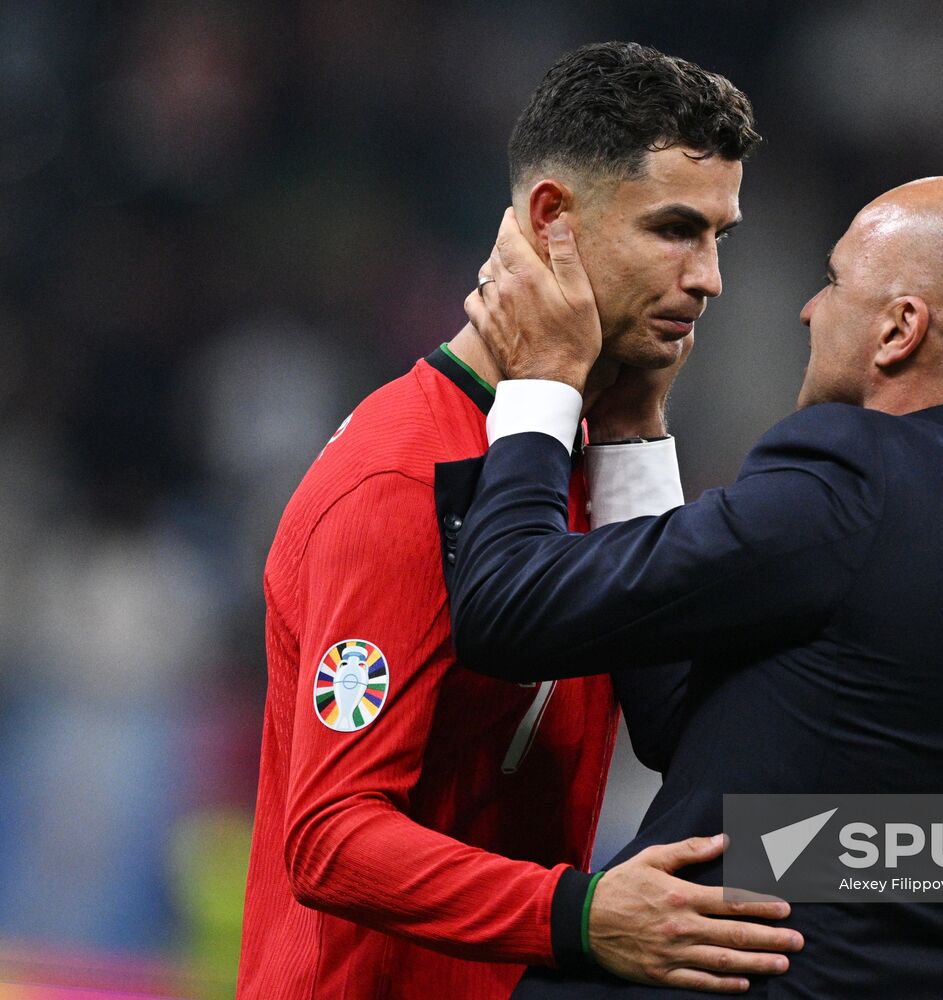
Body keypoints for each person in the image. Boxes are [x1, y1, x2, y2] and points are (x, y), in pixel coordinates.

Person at [441, 176, 943, 998]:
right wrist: (627, 436)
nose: (808, 310)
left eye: (833, 283)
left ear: (899, 329)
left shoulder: (855, 480)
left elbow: (507, 607)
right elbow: (690, 722)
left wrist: (542, 381)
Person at [237, 42, 804, 1000]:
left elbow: (677, 719)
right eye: (674, 230)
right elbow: (329, 837)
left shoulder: (580, 449)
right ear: (554, 220)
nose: (707, 278)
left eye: (719, 238)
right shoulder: (398, 478)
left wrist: (632, 433)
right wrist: (577, 916)